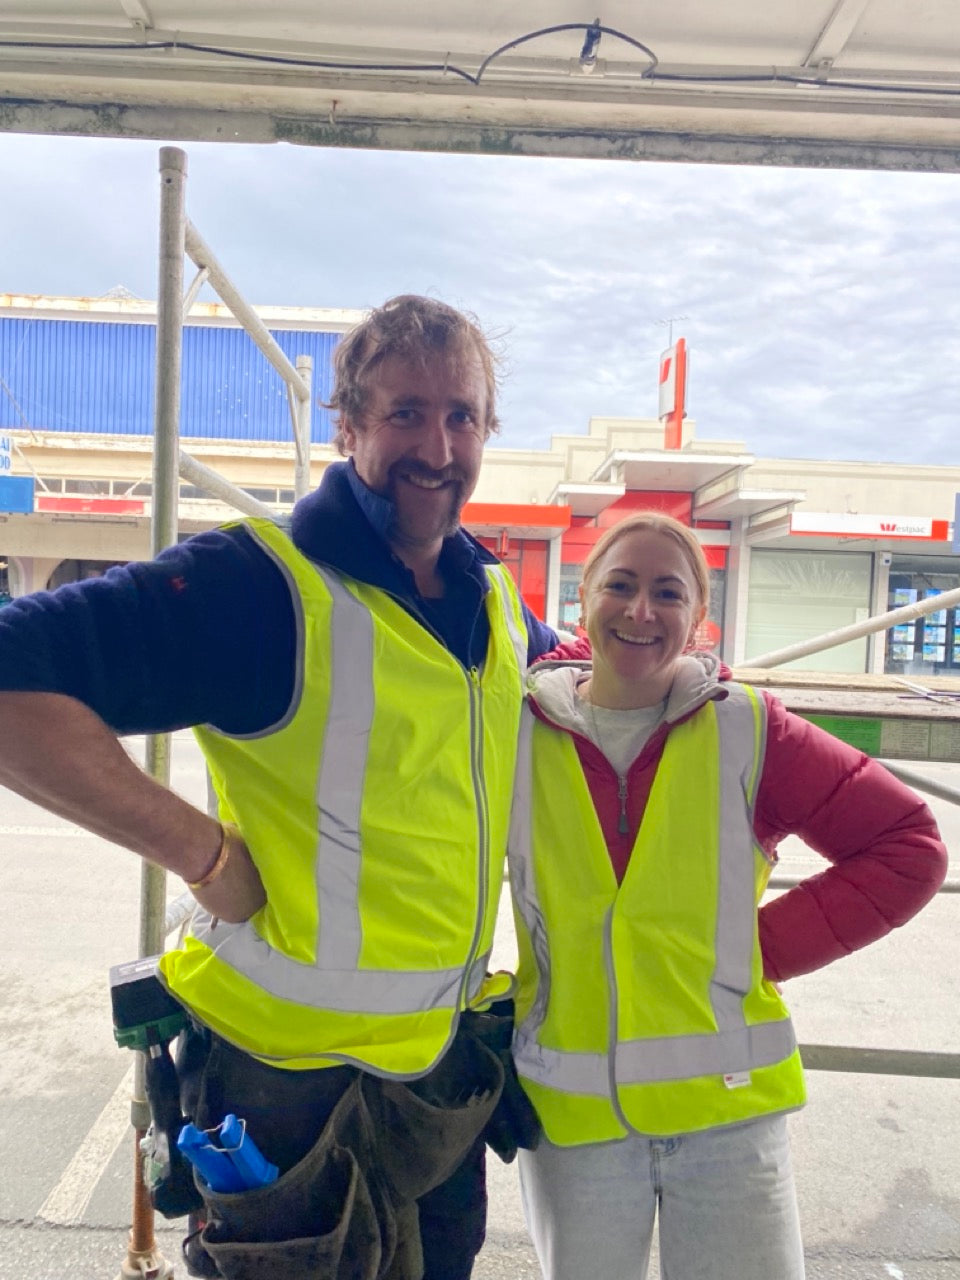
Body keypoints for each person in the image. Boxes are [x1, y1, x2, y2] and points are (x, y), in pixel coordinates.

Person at [0, 295, 558, 1280]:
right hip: (285, 1093)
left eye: (462, 415)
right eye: (405, 412)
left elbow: (590, 690)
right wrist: (202, 852)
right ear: (346, 425)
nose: (438, 444)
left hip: (437, 1079)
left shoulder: (496, 604)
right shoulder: (262, 585)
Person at [508, 511, 947, 1280]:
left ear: (698, 618)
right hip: (574, 1119)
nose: (641, 611)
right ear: (584, 603)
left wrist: (762, 949)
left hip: (729, 1120)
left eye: (668, 593)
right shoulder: (513, 733)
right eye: (621, 584)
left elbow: (908, 847)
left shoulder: (748, 730)